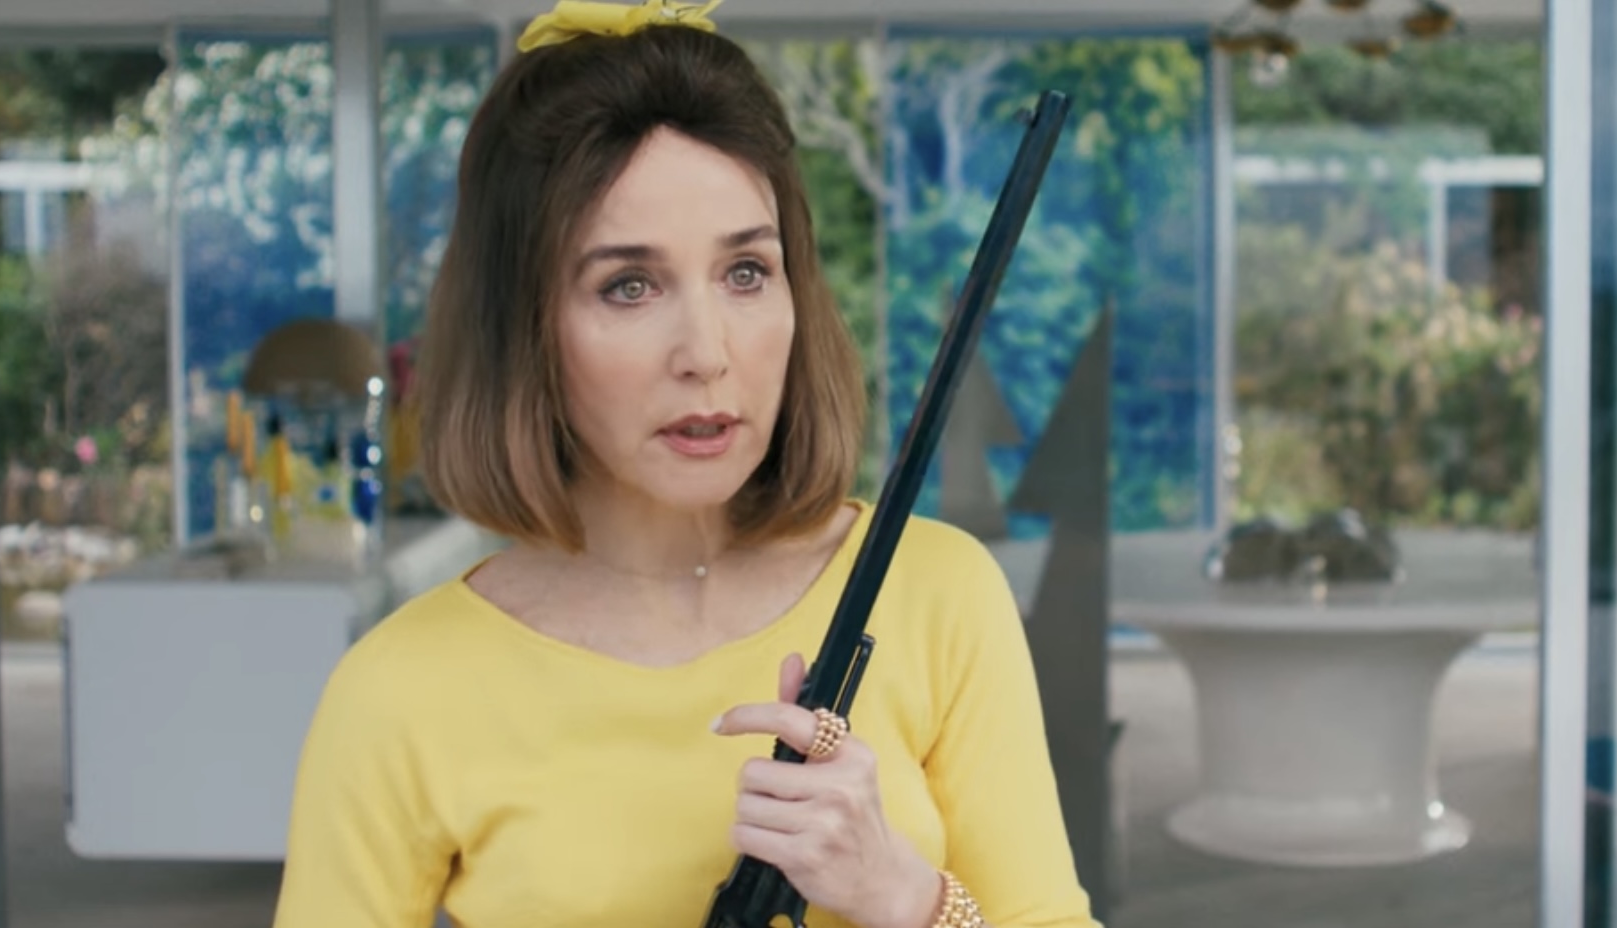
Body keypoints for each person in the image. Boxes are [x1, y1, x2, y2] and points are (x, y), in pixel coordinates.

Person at [268, 2, 1098, 927]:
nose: (706, 352)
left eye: (746, 272)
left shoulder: (938, 593)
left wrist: (904, 895)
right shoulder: (400, 690)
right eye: (628, 285)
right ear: (523, 330)